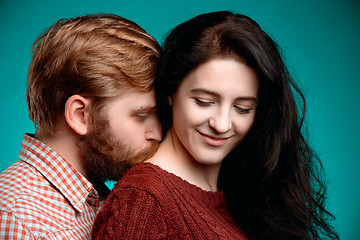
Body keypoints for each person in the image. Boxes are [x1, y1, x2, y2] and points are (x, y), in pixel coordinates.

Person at [91, 11, 339, 240]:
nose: (221, 124)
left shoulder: (240, 188)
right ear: (171, 92)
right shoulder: (143, 200)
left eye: (242, 108)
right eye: (204, 102)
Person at [0, 13, 162, 239]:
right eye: (141, 114)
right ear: (80, 115)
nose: (157, 133)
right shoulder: (15, 217)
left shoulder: (103, 200)